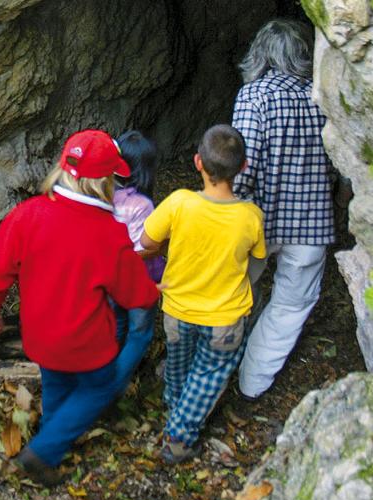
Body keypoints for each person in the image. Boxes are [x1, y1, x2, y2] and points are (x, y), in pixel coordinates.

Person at [0, 130, 160, 486]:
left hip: (40, 334)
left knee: (56, 382)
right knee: (100, 388)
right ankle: (43, 451)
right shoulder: (110, 233)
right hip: (87, 341)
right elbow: (135, 294)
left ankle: (52, 444)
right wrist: (154, 293)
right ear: (106, 180)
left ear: (63, 167)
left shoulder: (28, 214)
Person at [141, 125, 266, 464]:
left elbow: (148, 242)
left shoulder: (179, 202)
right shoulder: (251, 216)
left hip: (178, 309)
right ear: (243, 167)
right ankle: (179, 437)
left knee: (179, 365)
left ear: (198, 162)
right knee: (209, 375)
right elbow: (257, 264)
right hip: (225, 317)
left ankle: (175, 410)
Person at [232, 19, 336, 399]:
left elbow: (243, 164)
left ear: (259, 53)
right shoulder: (321, 96)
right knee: (291, 305)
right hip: (311, 221)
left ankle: (217, 369)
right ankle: (251, 385)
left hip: (258, 219)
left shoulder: (254, 96)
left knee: (236, 292)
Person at [110, 130, 166, 397]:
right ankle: (117, 381)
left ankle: (108, 367)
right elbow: (142, 247)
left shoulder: (102, 195)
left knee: (116, 324)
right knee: (140, 333)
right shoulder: (142, 205)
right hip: (139, 281)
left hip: (109, 279)